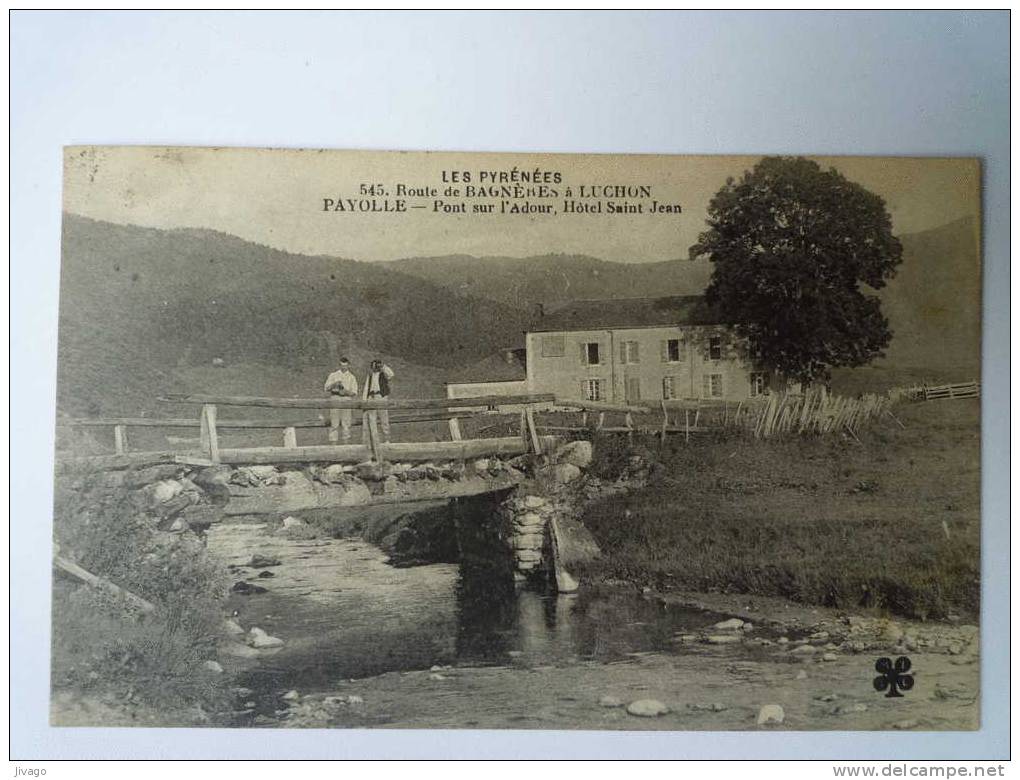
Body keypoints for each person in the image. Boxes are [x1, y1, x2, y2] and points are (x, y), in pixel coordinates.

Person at [323, 357, 358, 442]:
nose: (343, 367)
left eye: (345, 366)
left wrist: (346, 392)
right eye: (342, 365)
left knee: (346, 423)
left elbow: (354, 392)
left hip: (346, 399)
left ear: (348, 365)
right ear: (339, 365)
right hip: (335, 398)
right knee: (334, 423)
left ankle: (346, 444)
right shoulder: (333, 375)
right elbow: (326, 388)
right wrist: (334, 384)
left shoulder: (351, 377)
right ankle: (333, 444)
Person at [362, 359, 395, 443]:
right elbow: (366, 387)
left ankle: (387, 438)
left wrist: (383, 367)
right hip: (371, 396)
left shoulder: (383, 374)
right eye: (373, 366)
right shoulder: (370, 375)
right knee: (372, 419)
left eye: (376, 366)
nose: (374, 368)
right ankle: (374, 439)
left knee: (384, 417)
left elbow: (391, 375)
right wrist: (364, 401)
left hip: (381, 396)